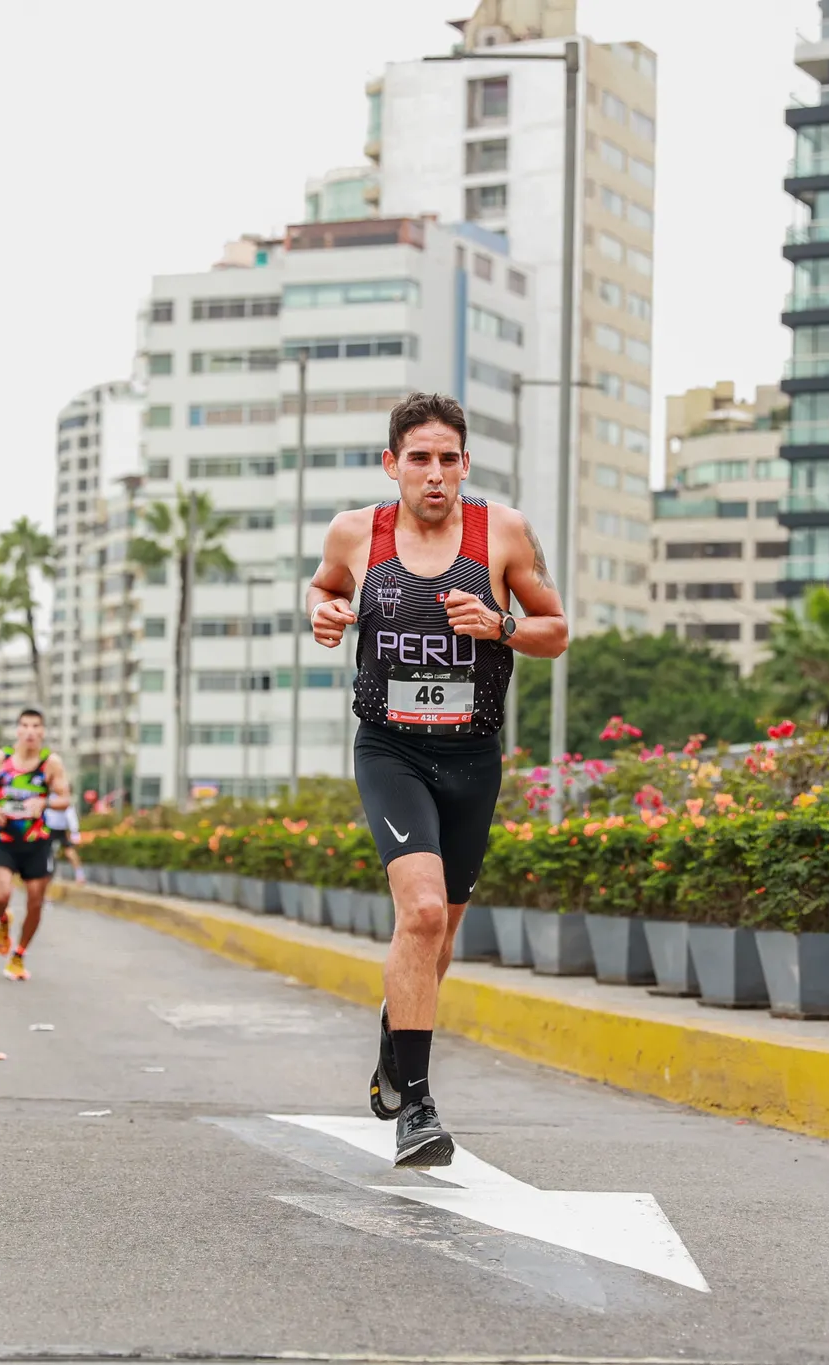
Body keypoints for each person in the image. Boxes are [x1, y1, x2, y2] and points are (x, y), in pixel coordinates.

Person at [306, 391, 567, 1168]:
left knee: (440, 938)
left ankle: (398, 1035)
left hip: (472, 757)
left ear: (464, 465)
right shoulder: (358, 532)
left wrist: (504, 625)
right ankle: (416, 1106)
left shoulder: (504, 533)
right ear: (392, 464)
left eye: (448, 458)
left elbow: (556, 629)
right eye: (418, 457)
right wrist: (321, 612)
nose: (434, 473)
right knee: (419, 913)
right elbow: (325, 588)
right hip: (390, 749)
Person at [0, 708, 71, 981]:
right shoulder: (0, 758)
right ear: (17, 730)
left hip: (37, 841)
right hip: (4, 839)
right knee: (1, 895)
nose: (30, 731)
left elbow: (65, 798)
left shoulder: (50, 763)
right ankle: (4, 920)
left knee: (35, 902)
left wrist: (45, 802)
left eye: (36, 726)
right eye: (25, 725)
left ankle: (19, 954)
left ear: (42, 731)